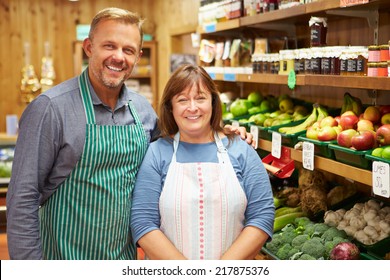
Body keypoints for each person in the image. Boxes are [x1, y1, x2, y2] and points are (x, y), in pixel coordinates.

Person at [6, 8, 251, 260]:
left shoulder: (142, 110)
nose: (118, 57)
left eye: (128, 50)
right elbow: (23, 198)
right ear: (89, 47)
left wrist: (224, 135)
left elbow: (181, 145)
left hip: (124, 260)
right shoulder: (50, 109)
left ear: (138, 56)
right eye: (109, 46)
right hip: (63, 260)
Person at [131, 64, 275, 260]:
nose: (193, 107)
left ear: (213, 103)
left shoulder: (241, 149)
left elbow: (262, 216)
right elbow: (143, 222)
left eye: (200, 98)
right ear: (170, 107)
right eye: (182, 100)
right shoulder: (157, 153)